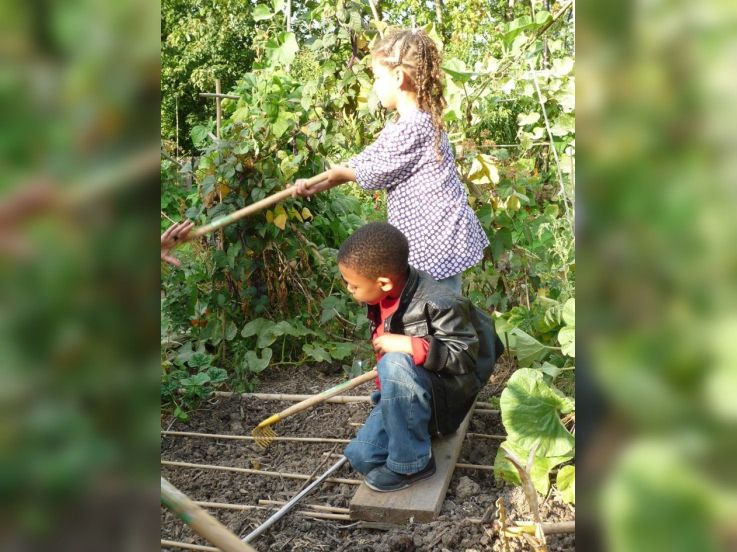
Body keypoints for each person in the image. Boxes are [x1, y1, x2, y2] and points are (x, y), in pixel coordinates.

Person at [293, 29, 489, 295]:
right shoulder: (402, 124)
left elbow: (376, 173)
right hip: (428, 238)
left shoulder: (417, 125)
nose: (374, 85)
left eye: (377, 77)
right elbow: (366, 159)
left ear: (398, 77)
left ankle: (437, 338)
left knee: (438, 311)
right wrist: (317, 185)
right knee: (425, 309)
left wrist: (341, 174)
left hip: (438, 240)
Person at [336, 222, 503, 492]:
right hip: (408, 397)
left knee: (395, 360)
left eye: (353, 285)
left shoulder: (439, 301)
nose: (349, 290)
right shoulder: (380, 297)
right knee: (362, 457)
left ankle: (413, 464)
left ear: (384, 282)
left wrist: (411, 345)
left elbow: (464, 357)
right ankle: (406, 424)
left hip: (443, 401)